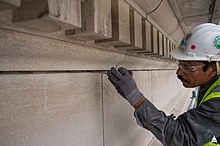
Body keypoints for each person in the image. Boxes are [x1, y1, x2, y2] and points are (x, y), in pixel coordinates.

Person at [107, 23, 220, 146]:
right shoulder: (210, 83)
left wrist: (135, 97)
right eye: (180, 65)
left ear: (213, 69)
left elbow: (181, 137)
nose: (178, 72)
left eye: (188, 67)